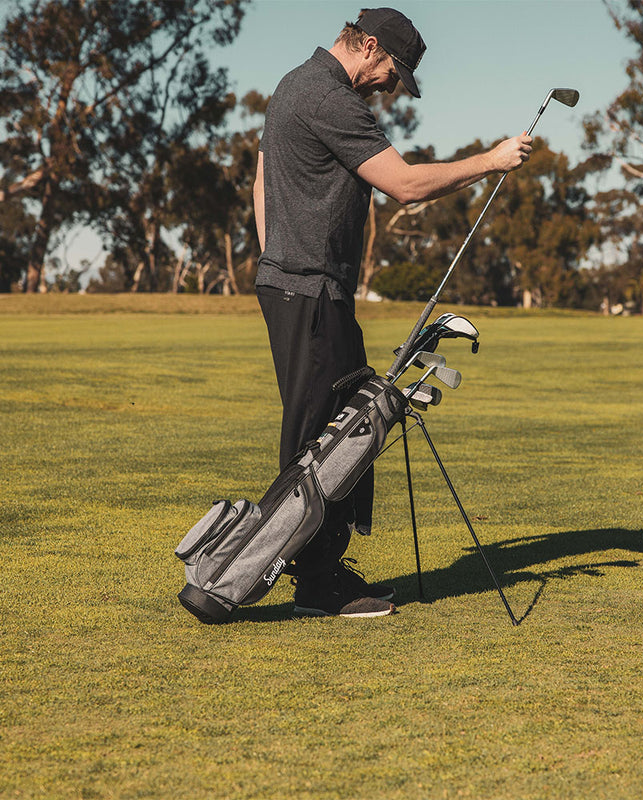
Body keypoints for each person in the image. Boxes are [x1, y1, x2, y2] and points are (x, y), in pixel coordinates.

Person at [252, 7, 532, 619]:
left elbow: (261, 177)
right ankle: (312, 583)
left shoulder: (293, 82)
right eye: (392, 72)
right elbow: (404, 185)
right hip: (310, 290)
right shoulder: (330, 97)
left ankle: (318, 572)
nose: (390, 86)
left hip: (299, 286)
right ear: (370, 46)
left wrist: (275, 258)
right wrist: (490, 161)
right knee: (326, 436)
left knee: (340, 425)